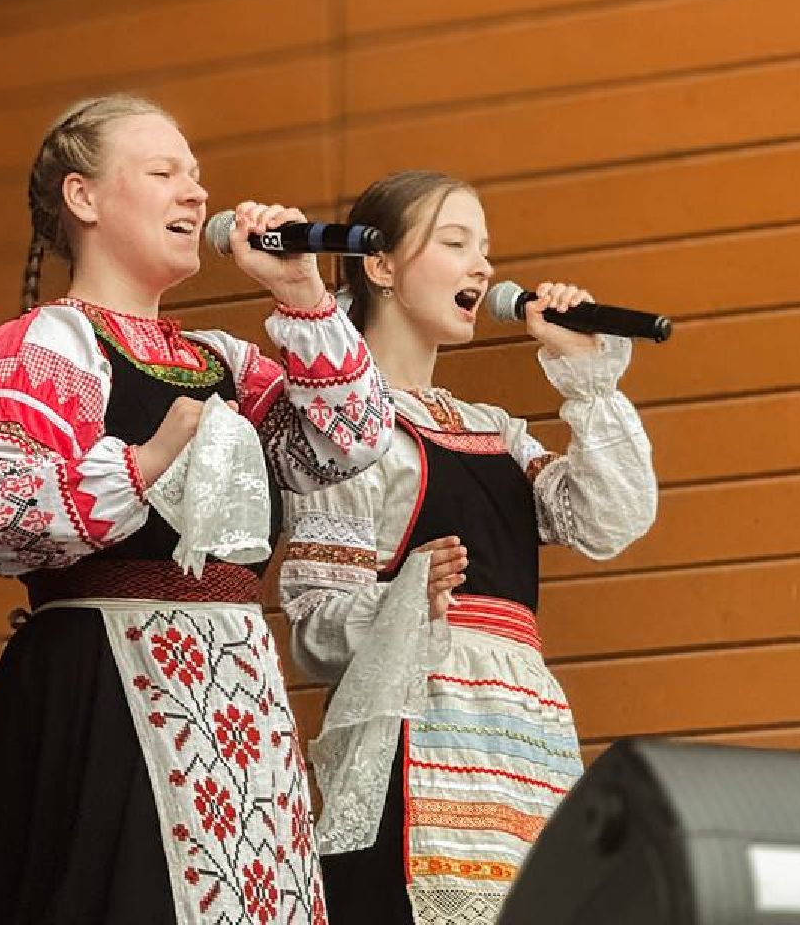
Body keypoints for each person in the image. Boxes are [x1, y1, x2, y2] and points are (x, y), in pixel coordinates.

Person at [0, 94, 393, 925]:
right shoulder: (44, 347)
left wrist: (300, 293)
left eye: (198, 175)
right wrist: (141, 466)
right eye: (164, 172)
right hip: (108, 683)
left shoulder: (221, 361)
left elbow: (350, 441)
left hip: (239, 692)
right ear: (84, 199)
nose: (196, 193)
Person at [277, 170, 657, 924]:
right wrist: (404, 600)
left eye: (485, 249)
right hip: (419, 746)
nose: (483, 267)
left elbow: (612, 518)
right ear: (379, 267)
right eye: (455, 244)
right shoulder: (350, 436)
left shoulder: (496, 429)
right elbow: (312, 631)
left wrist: (587, 380)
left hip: (519, 742)